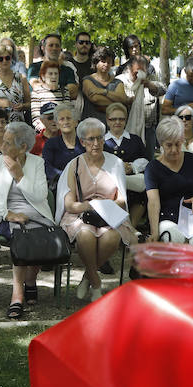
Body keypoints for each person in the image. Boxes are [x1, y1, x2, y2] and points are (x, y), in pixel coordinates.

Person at [0, 121, 55, 319]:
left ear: (23, 147)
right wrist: (8, 215)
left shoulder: (36, 163)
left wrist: (19, 175)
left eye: (8, 143)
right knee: (22, 236)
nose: (2, 147)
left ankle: (30, 279)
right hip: (6, 215)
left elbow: (40, 196)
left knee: (43, 234)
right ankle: (17, 295)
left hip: (36, 212)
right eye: (3, 142)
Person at [57, 118, 134, 300]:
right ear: (82, 142)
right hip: (80, 214)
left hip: (110, 215)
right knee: (85, 235)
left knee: (111, 237)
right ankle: (97, 284)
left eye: (100, 138)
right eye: (91, 139)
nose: (96, 143)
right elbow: (69, 204)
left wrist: (106, 207)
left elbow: (122, 199)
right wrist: (92, 205)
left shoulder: (115, 163)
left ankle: (87, 277)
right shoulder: (74, 165)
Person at [144, 117, 193, 246]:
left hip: (192, 217)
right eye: (169, 145)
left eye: (178, 144)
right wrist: (154, 233)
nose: (174, 150)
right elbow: (153, 203)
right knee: (174, 238)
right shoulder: (153, 168)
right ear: (161, 144)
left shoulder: (191, 160)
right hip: (167, 217)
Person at [102, 103, 149, 227]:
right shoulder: (101, 140)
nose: (117, 122)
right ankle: (116, 227)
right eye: (113, 119)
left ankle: (131, 228)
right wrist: (117, 168)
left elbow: (145, 159)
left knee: (142, 194)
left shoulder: (135, 139)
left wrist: (132, 167)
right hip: (109, 182)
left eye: (121, 119)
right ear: (107, 120)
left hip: (133, 181)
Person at [0, 43, 30, 123]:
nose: (4, 61)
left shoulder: (21, 78)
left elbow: (29, 103)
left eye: (7, 58)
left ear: (11, 59)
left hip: (17, 125)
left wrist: (23, 106)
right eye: (0, 59)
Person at [81, 46, 130, 123]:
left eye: (109, 62)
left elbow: (122, 98)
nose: (106, 64)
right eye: (103, 61)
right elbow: (96, 99)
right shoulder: (87, 80)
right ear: (96, 62)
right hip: (91, 124)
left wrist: (103, 92)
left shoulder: (117, 82)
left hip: (112, 126)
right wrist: (117, 102)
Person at [41, 102, 83, 187]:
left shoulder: (85, 142)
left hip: (85, 184)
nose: (66, 122)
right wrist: (67, 178)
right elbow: (47, 167)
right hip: (60, 185)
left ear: (76, 122)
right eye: (62, 119)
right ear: (57, 124)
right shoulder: (51, 144)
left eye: (69, 118)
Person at [27, 33, 80, 101]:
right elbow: (35, 86)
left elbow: (73, 91)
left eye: (57, 46)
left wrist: (45, 88)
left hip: (62, 109)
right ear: (43, 48)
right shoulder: (34, 68)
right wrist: (63, 90)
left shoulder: (68, 70)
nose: (54, 48)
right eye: (51, 45)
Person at [29, 60, 69, 130]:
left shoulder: (64, 91)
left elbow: (67, 113)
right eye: (50, 74)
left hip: (61, 131)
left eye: (56, 73)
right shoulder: (37, 93)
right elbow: (36, 118)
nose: (54, 76)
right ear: (43, 76)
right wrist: (47, 131)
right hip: (44, 132)